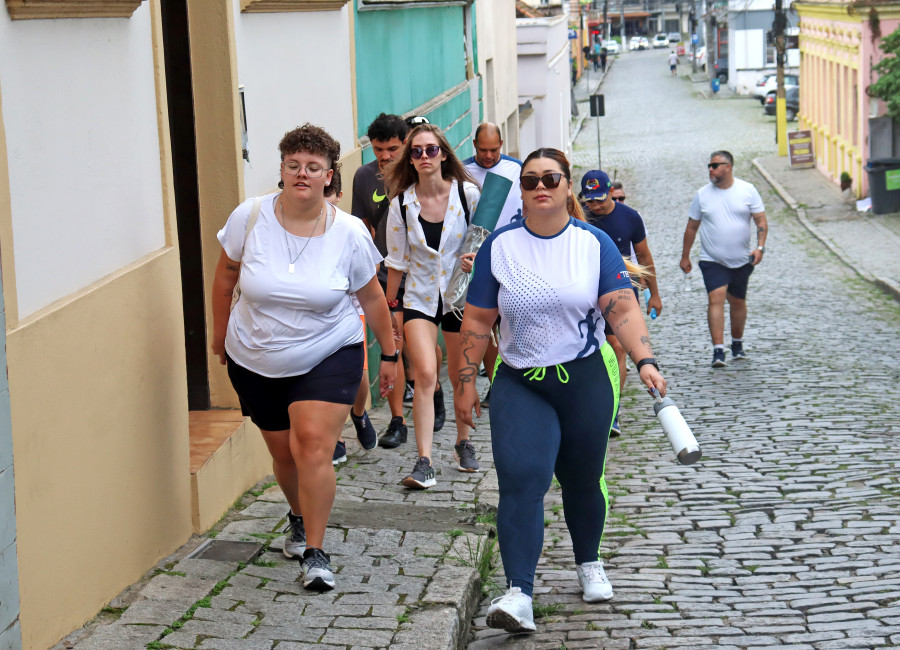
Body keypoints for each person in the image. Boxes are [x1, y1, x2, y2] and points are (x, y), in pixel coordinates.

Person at [455, 148, 667, 634]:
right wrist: (465, 384)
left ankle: (589, 561)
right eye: (530, 181)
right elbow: (477, 321)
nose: (541, 187)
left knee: (583, 478)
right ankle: (519, 592)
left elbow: (621, 308)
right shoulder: (500, 248)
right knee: (522, 478)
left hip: (586, 379)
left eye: (551, 178)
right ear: (522, 191)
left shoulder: (592, 244)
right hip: (520, 381)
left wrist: (645, 360)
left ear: (568, 186)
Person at [211, 124, 398, 591]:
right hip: (254, 355)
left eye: (312, 167)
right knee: (283, 452)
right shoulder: (249, 217)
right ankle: (297, 515)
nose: (301, 173)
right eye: (293, 165)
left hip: (328, 350)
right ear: (281, 169)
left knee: (312, 444)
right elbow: (224, 276)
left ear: (329, 176)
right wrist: (218, 334)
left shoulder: (350, 233)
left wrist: (390, 354)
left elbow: (372, 298)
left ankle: (316, 551)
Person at [383, 123, 482, 488]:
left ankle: (463, 442)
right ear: (409, 159)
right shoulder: (401, 204)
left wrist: (477, 260)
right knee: (425, 373)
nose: (424, 157)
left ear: (443, 153)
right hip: (419, 297)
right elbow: (396, 262)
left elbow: (487, 243)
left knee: (459, 374)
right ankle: (423, 461)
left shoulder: (468, 195)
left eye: (431, 150)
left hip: (460, 296)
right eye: (416, 151)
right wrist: (393, 308)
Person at [581, 170, 662, 435]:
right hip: (586, 291)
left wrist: (655, 294)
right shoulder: (579, 215)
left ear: (611, 193)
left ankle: (613, 410)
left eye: (600, 199)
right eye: (590, 200)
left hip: (621, 289)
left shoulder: (630, 217)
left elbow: (644, 256)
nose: (595, 206)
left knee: (617, 347)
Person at [351, 113, 412, 449]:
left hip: (420, 276)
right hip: (385, 275)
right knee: (395, 345)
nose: (385, 156)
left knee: (418, 347)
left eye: (392, 148)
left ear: (405, 143)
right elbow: (361, 227)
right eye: (378, 149)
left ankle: (431, 389)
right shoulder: (363, 177)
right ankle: (397, 420)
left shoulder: (418, 173)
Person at [680, 150, 768, 368]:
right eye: (709, 165)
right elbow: (692, 227)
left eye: (715, 165)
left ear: (728, 166)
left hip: (742, 259)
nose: (710, 169)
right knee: (716, 299)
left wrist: (760, 248)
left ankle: (737, 344)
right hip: (712, 259)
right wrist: (685, 256)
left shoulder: (747, 190)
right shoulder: (702, 195)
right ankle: (718, 350)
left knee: (738, 301)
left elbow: (761, 221)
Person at [463, 123, 523, 408]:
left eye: (494, 150)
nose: (488, 156)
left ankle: (512, 378)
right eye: (483, 150)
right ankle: (496, 383)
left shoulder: (518, 169)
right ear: (474, 145)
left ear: (502, 144)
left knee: (511, 323)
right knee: (487, 326)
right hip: (479, 261)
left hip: (515, 258)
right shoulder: (461, 173)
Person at [325, 172, 377, 465]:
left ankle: (358, 413)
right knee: (327, 379)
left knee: (357, 375)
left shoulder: (351, 229)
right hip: (320, 317)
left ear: (339, 196)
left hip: (353, 309)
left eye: (330, 195)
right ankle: (336, 437)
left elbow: (371, 279)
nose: (325, 202)